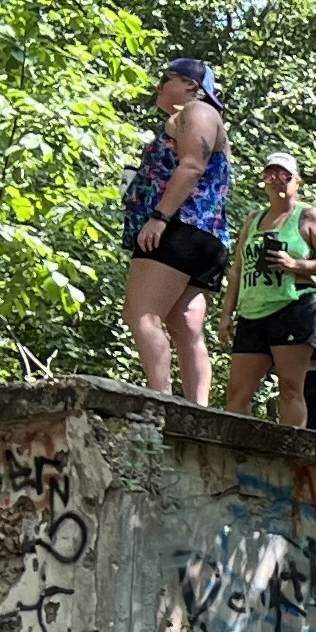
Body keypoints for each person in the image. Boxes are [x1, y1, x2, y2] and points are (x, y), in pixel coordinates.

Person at [120, 58, 233, 404]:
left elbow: (192, 166)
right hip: (204, 234)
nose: (158, 87)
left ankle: (161, 401)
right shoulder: (182, 120)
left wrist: (159, 217)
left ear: (189, 84)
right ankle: (198, 410)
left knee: (140, 313)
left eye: (164, 79)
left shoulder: (197, 111)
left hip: (180, 227)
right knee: (184, 325)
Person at [221, 151, 316, 424]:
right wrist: (226, 313)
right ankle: (237, 455)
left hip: (294, 307)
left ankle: (292, 459)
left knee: (290, 389)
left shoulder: (308, 217)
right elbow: (237, 270)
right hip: (252, 312)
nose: (277, 181)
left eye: (284, 176)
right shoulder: (253, 220)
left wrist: (295, 265)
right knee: (236, 392)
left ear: (297, 181)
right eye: (271, 175)